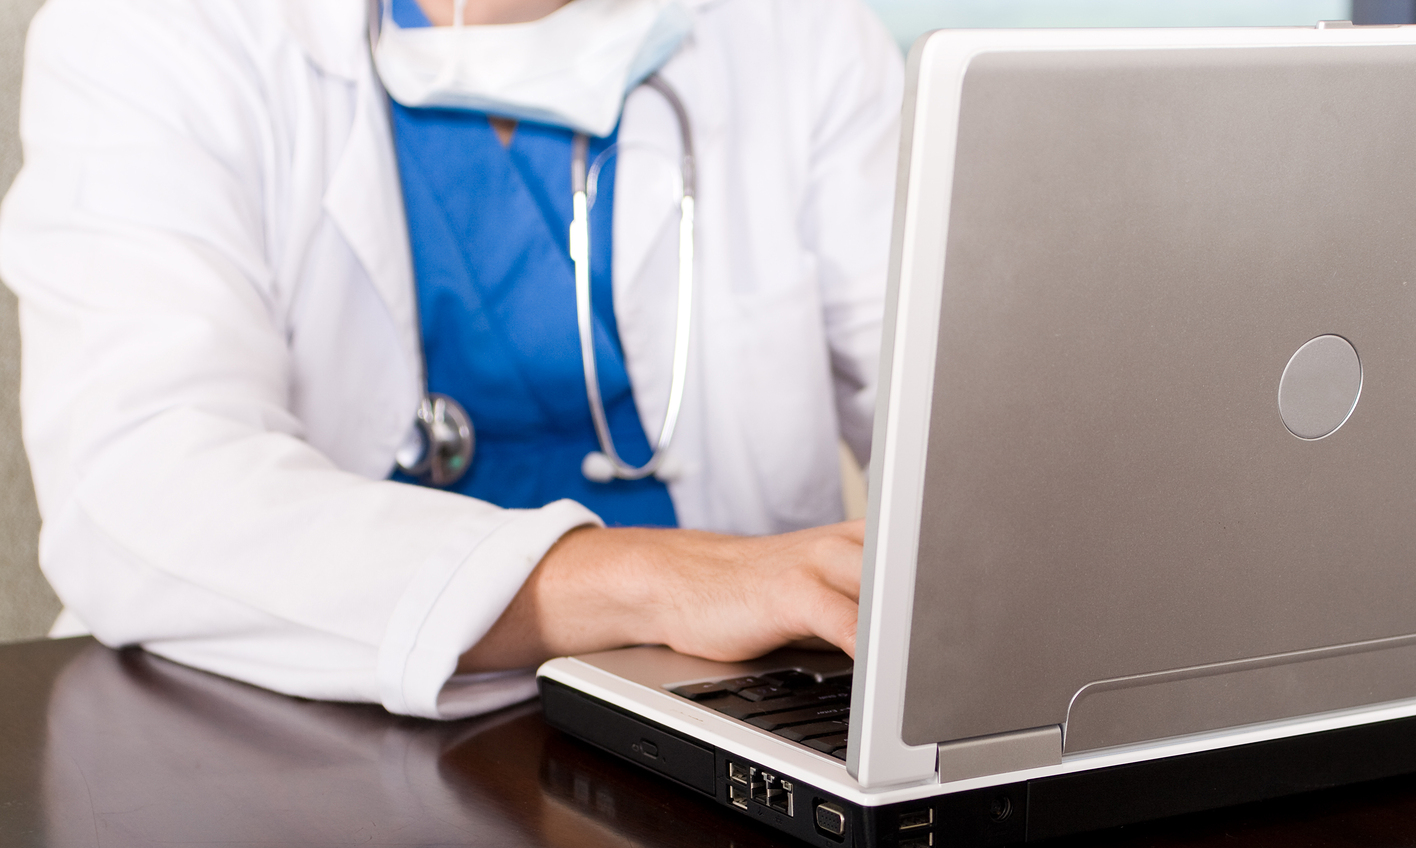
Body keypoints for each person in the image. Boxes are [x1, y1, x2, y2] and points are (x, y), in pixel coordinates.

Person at [0, 0, 901, 716]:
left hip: (730, 735)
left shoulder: (803, 34)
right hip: (276, 763)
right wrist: (649, 579)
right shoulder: (151, 33)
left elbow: (960, 415)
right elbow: (141, 489)